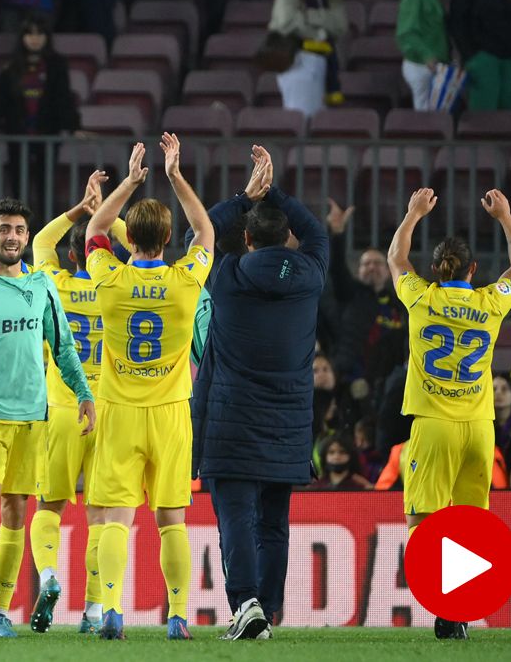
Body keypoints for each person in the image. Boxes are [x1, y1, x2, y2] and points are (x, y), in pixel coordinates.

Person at [191, 145, 327, 640]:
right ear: (287, 238)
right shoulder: (311, 274)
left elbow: (199, 234)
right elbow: (316, 232)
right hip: (290, 427)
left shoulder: (226, 276)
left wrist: (244, 197)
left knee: (237, 522)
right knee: (273, 524)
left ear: (245, 238)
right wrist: (278, 194)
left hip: (231, 425)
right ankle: (266, 609)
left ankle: (245, 605)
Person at [84, 136, 215, 641]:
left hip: (119, 410)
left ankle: (112, 611)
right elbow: (204, 229)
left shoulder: (109, 280)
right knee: (171, 520)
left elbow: (95, 227)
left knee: (116, 517)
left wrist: (131, 181)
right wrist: (176, 175)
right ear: (167, 239)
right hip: (170, 413)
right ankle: (178, 616)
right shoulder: (186, 282)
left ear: (129, 238)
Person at [387, 186, 511, 640]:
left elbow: (395, 259)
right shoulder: (491, 302)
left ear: (434, 269)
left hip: (434, 426)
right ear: (473, 270)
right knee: (472, 523)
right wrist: (506, 219)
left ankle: (442, 602)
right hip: (479, 429)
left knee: (421, 521)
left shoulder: (420, 297)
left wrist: (412, 214)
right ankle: (458, 610)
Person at [0, 198, 95, 638]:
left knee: (15, 511)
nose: (11, 236)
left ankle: (0, 610)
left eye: (18, 230)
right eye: (4, 229)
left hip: (34, 414)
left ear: (27, 238)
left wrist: (84, 393)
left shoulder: (42, 287)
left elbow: (64, 347)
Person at [29, 170, 131, 635]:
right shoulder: (118, 285)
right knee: (100, 515)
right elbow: (138, 247)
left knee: (48, 507)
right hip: (106, 412)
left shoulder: (55, 285)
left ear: (72, 256)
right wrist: (108, 219)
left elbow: (39, 246)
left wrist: (80, 209)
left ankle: (49, 576)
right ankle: (94, 609)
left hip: (60, 409)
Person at [324, 199, 407, 405]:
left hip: (388, 385)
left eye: (377, 263)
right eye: (366, 263)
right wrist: (337, 234)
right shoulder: (350, 293)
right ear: (359, 271)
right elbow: (337, 269)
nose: (371, 267)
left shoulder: (398, 304)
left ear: (388, 272)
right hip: (348, 381)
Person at [0, 14, 80, 137]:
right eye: (30, 34)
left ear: (46, 37)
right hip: (17, 136)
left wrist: (75, 128)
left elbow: (64, 98)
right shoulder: (10, 68)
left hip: (48, 135)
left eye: (39, 34)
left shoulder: (57, 66)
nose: (35, 39)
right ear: (22, 37)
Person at [268, 0, 347, 116]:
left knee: (316, 122)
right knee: (301, 120)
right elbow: (285, 22)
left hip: (323, 60)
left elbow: (340, 24)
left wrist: (309, 16)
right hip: (299, 60)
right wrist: (319, 32)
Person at [396, 0, 449, 111]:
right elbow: (406, 33)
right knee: (427, 119)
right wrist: (427, 55)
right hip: (422, 65)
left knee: (436, 118)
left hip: (433, 63)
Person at [305, 435, 373, 491]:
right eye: (331, 452)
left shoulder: (361, 487)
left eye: (342, 452)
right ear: (324, 456)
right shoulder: (315, 487)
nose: (336, 457)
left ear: (351, 456)